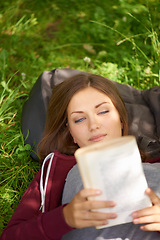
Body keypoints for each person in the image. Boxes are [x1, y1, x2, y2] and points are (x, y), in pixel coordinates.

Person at [0, 73, 160, 240]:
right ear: (71, 133)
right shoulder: (58, 171)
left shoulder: (155, 162)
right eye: (80, 119)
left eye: (103, 111)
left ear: (121, 118)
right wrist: (64, 218)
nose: (94, 125)